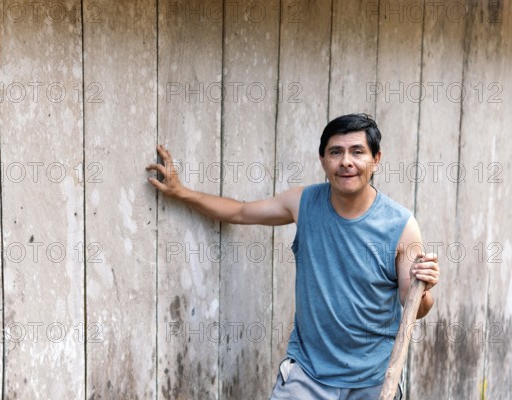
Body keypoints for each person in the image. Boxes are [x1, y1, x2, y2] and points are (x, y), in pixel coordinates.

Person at [146, 113, 439, 400]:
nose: (346, 161)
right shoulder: (303, 203)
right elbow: (240, 211)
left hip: (372, 381)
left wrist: (422, 287)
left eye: (357, 152)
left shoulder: (401, 225)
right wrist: (181, 192)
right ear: (323, 160)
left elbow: (414, 305)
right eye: (335, 152)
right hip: (308, 375)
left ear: (376, 159)